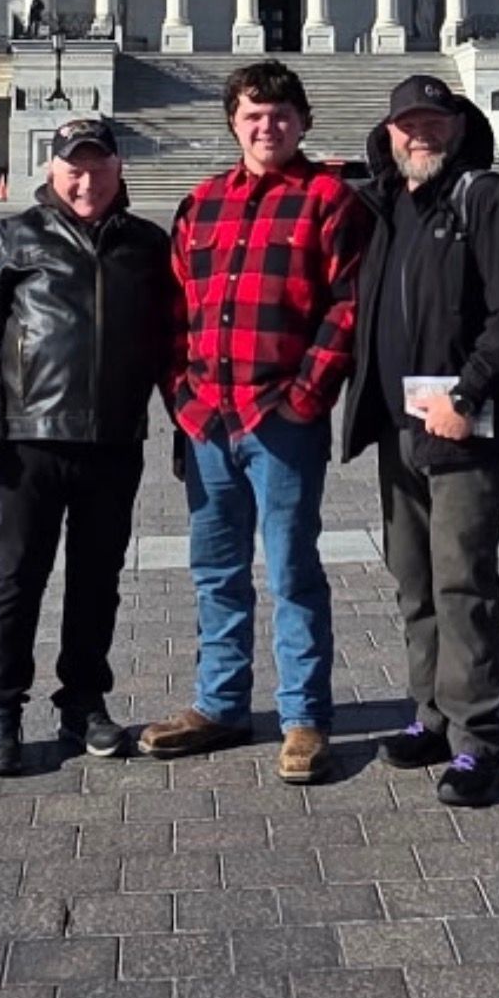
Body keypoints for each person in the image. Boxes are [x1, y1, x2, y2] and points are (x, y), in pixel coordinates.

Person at [140, 59, 369, 784]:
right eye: (251, 116)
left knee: (294, 569)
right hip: (208, 418)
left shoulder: (330, 200)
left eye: (279, 116)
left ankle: (304, 718)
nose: (266, 127)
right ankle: (222, 704)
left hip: (281, 421)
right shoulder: (200, 204)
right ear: (233, 123)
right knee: (215, 570)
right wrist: (181, 394)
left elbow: (350, 305)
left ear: (302, 122)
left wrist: (305, 396)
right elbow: (173, 312)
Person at [341, 73, 499, 806]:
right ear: (389, 132)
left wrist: (468, 391)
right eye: (408, 123)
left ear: (459, 126)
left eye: (434, 122)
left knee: (462, 580)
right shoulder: (388, 204)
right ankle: (430, 714)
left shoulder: (485, 199)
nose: (420, 134)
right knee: (413, 578)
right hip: (400, 424)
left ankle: (479, 743)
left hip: (464, 422)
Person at [0, 115, 174, 776]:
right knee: (18, 577)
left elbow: (168, 343)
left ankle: (83, 700)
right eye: (73, 168)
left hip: (112, 438)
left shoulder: (145, 244)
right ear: (52, 171)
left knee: (96, 580)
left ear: (118, 170)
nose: (86, 180)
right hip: (33, 437)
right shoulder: (15, 237)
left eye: (97, 167)